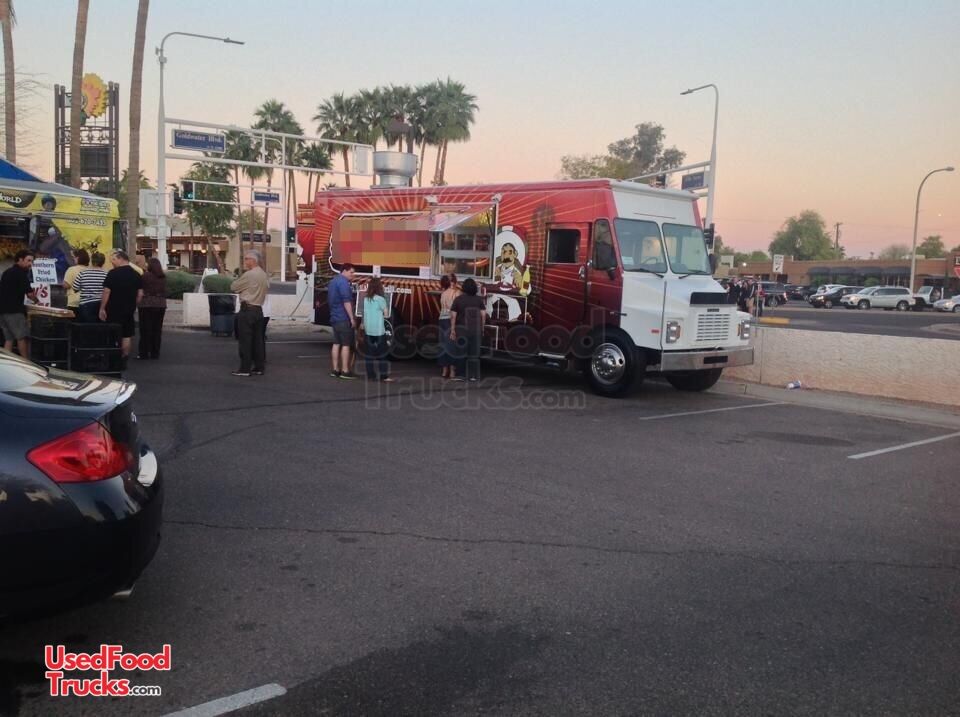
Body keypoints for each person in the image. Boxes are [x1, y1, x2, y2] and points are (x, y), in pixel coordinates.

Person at [230, 251, 269, 377]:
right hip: (258, 310)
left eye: (247, 259)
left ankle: (245, 369)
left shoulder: (249, 274)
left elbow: (234, 287)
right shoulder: (263, 274)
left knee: (245, 341)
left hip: (247, 310)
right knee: (258, 341)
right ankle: (259, 367)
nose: (245, 261)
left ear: (253, 260)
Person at [100, 249, 143, 360]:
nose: (112, 262)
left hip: (113, 309)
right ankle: (125, 357)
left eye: (114, 260)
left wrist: (102, 308)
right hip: (129, 309)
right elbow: (140, 294)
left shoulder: (112, 273)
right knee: (127, 334)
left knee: (113, 333)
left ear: (121, 259)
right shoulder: (136, 274)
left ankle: (113, 357)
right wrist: (134, 304)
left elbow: (106, 291)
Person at [0, 250, 39, 357]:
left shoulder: (7, 272)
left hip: (3, 311)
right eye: (28, 260)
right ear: (20, 260)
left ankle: (7, 362)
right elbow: (30, 294)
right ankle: (26, 362)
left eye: (32, 261)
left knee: (9, 339)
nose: (31, 264)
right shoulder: (21, 274)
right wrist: (37, 301)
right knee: (22, 338)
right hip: (15, 312)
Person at [449, 277, 487, 382]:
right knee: (474, 353)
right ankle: (473, 376)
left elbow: (453, 316)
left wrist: (452, 330)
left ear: (464, 288)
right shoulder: (479, 300)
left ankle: (460, 375)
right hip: (475, 330)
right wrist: (482, 328)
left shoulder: (458, 299)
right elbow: (483, 315)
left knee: (461, 352)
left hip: (461, 330)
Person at [328, 263, 357, 380]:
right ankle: (345, 370)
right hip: (343, 317)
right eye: (351, 272)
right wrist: (351, 318)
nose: (353, 275)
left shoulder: (333, 281)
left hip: (334, 317)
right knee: (346, 344)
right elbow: (346, 302)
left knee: (336, 343)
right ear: (344, 271)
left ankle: (335, 369)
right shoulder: (344, 283)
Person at [361, 277, 393, 382]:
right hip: (379, 330)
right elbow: (386, 314)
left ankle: (371, 375)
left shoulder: (366, 299)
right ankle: (384, 376)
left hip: (368, 329)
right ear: (379, 287)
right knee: (382, 354)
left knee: (369, 355)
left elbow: (364, 313)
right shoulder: (381, 299)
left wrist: (362, 324)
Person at [137, 258, 167, 360]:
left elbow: (141, 290)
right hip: (160, 304)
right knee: (157, 329)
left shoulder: (145, 276)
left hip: (146, 304)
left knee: (145, 329)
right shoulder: (163, 277)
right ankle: (155, 352)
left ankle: (144, 352)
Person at [73, 252, 108, 323]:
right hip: (102, 305)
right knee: (100, 327)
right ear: (103, 262)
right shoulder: (107, 275)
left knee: (87, 327)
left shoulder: (83, 273)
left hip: (86, 304)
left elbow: (75, 288)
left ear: (91, 261)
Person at [438, 273, 460, 378]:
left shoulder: (443, 293)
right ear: (454, 282)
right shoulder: (456, 293)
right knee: (451, 345)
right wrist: (453, 328)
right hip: (450, 320)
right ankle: (452, 371)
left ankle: (444, 370)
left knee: (443, 345)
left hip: (441, 319)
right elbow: (453, 310)